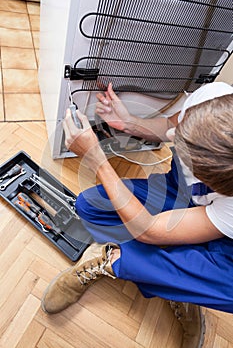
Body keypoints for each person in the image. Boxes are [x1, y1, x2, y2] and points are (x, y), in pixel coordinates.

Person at [41, 82, 233, 348]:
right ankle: (173, 271)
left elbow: (149, 230)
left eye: (185, 148)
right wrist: (129, 122)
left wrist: (97, 160)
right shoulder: (217, 99)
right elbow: (167, 125)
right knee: (90, 206)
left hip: (222, 229)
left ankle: (122, 262)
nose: (170, 134)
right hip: (181, 192)